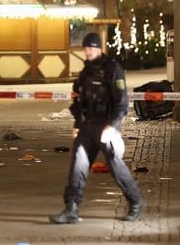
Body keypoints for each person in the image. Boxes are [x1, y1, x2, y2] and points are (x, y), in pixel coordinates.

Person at [50, 32, 144, 224]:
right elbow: (78, 100)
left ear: (100, 48)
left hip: (106, 126)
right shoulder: (86, 72)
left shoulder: (112, 69)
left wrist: (113, 126)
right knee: (78, 166)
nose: (88, 52)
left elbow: (121, 102)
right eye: (85, 48)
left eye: (91, 48)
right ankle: (71, 209)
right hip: (86, 126)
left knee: (115, 166)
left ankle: (135, 202)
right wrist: (77, 124)